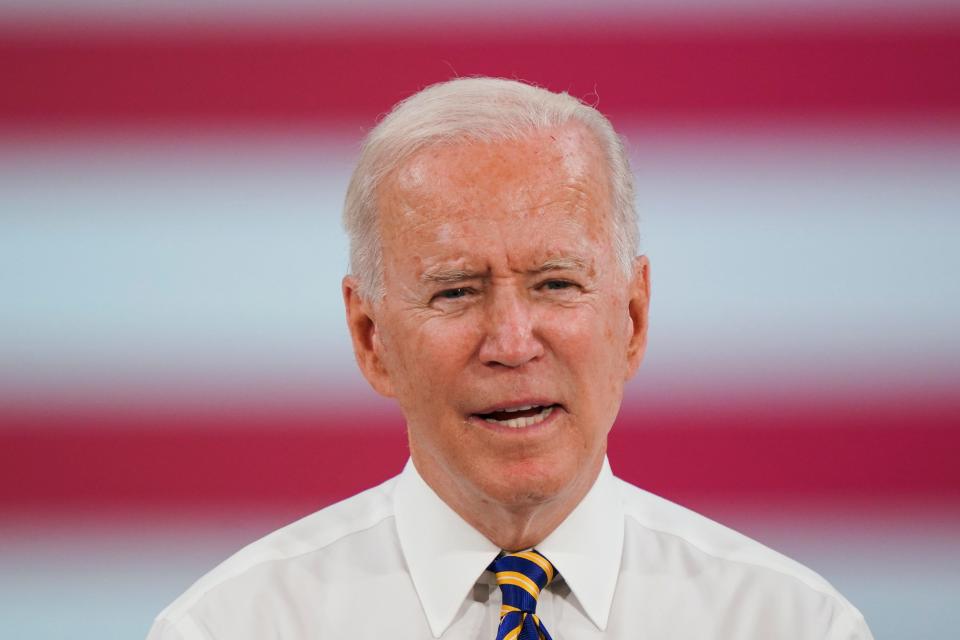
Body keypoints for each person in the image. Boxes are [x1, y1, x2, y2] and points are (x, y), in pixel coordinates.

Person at [147, 77, 873, 640]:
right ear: (372, 339)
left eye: (556, 283)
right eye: (456, 291)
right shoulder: (234, 627)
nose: (513, 341)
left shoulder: (790, 624)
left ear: (632, 317)